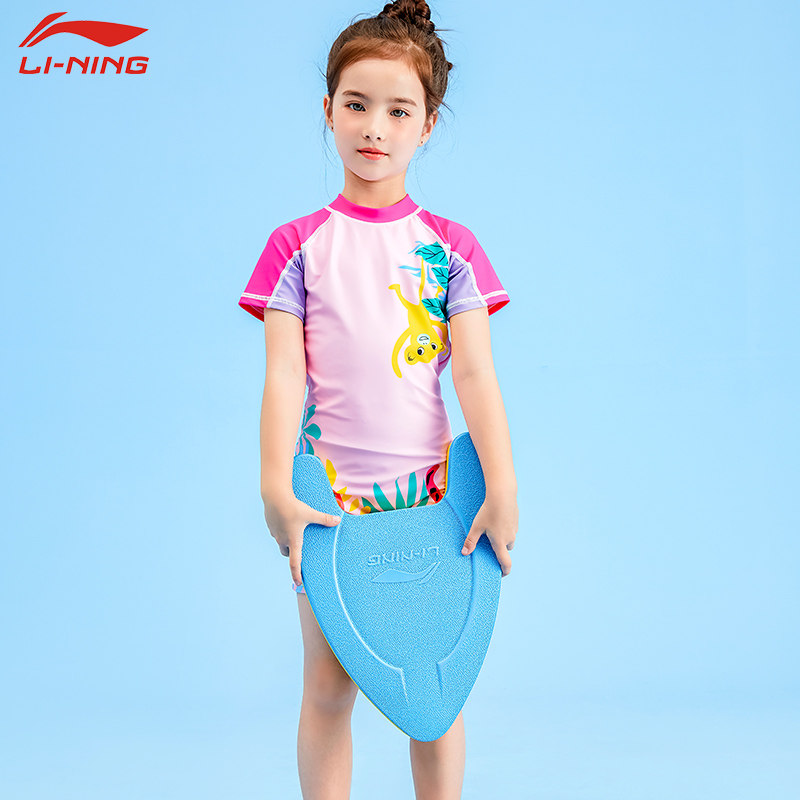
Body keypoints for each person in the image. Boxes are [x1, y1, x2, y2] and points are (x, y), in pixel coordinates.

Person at [238, 1, 518, 797]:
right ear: (328, 109)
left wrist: (502, 485)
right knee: (329, 690)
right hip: (330, 505)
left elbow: (474, 374)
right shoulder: (296, 247)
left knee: (435, 695)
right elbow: (283, 376)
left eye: (399, 110)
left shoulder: (450, 249)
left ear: (427, 125)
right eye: (357, 104)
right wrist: (274, 488)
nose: (374, 127)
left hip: (433, 501)